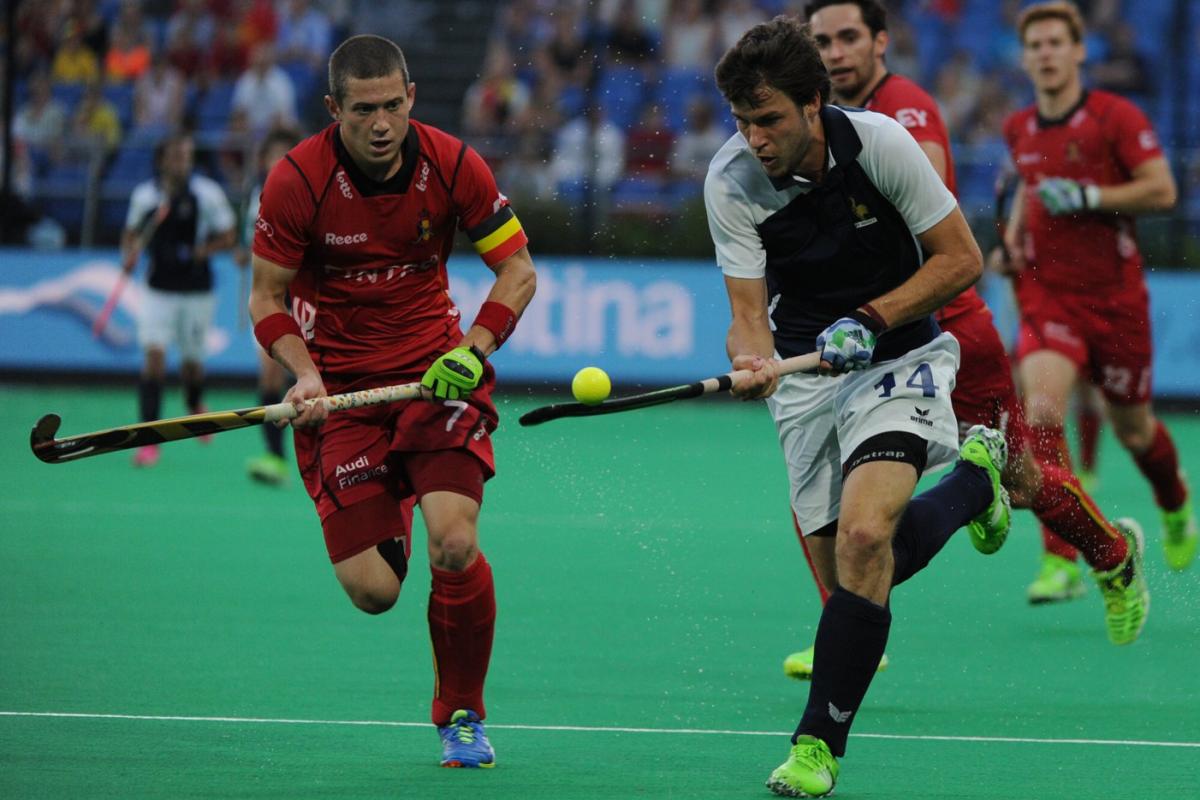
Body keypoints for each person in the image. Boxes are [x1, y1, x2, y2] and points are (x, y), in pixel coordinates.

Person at [780, 0, 1148, 685]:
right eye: (821, 40)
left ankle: (1111, 555)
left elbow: (917, 227)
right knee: (818, 488)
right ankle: (848, 624)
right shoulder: (808, 130)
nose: (835, 52)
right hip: (869, 342)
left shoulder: (905, 110)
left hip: (946, 329)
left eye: (849, 37)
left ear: (881, 41)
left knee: (1025, 475)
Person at [706, 17, 1011, 797]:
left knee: (870, 533)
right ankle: (976, 482)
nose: (756, 139)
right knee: (855, 568)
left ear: (813, 104)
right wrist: (751, 360)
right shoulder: (730, 180)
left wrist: (872, 318)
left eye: (769, 119)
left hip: (900, 353)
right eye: (743, 122)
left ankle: (817, 746)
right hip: (806, 372)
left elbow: (962, 259)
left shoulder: (879, 144)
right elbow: (747, 312)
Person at [248, 35, 536, 768]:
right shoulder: (296, 181)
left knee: (455, 542)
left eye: (393, 105)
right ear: (333, 109)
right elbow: (266, 297)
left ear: (411, 94)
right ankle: (392, 489)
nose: (382, 124)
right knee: (374, 592)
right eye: (363, 110)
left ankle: (461, 715)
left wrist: (471, 350)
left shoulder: (453, 162)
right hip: (341, 395)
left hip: (435, 377)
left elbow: (518, 271)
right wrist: (302, 374)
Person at [999, 2, 1197, 576]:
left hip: (1115, 300)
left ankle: (1175, 503)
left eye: (1056, 43)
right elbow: (1028, 192)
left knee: (1135, 430)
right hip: (1047, 295)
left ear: (1079, 51)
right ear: (1026, 58)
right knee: (1039, 409)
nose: (1046, 54)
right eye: (1035, 46)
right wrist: (1011, 242)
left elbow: (1163, 192)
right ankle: (1062, 554)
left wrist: (1090, 198)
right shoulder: (1018, 127)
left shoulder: (1117, 117)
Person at [125, 132, 237, 467]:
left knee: (191, 365)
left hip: (196, 290)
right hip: (158, 289)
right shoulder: (146, 196)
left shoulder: (207, 194)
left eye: (186, 155)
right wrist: (129, 253)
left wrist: (204, 250)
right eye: (176, 155)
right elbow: (131, 234)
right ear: (162, 160)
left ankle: (194, 401)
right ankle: (148, 440)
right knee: (154, 359)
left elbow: (229, 234)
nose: (182, 162)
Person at [235, 127, 303, 485]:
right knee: (269, 374)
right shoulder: (255, 196)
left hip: (305, 298)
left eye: (285, 154)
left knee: (317, 378)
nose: (278, 162)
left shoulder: (307, 193)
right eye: (272, 155)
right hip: (271, 298)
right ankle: (275, 456)